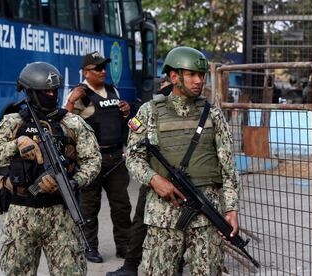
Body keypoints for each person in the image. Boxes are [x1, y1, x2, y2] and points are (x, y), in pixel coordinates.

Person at [125, 46, 240, 275]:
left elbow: (228, 167)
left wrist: (231, 209)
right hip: (162, 215)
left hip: (206, 215)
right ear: (174, 76)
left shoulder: (213, 114)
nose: (199, 81)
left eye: (201, 75)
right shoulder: (150, 112)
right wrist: (155, 179)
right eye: (191, 75)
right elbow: (133, 156)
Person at [0, 61, 102, 276]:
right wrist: (17, 144)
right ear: (30, 92)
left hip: (61, 214)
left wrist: (73, 182)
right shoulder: (12, 122)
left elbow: (93, 161)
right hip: (21, 215)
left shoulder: (72, 123)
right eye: (45, 91)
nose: (51, 95)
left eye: (54, 90)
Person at [65, 51, 132, 263]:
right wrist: (70, 103)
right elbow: (64, 125)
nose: (103, 71)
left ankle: (124, 246)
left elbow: (120, 122)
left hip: (115, 157)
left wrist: (126, 112)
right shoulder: (79, 94)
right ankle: (89, 247)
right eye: (98, 68)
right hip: (91, 159)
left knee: (121, 205)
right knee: (89, 206)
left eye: (104, 67)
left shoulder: (113, 90)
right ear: (86, 72)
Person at [106, 77, 174, 276]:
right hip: (156, 176)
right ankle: (130, 265)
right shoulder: (150, 109)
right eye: (163, 86)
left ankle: (171, 265)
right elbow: (135, 142)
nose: (164, 90)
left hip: (184, 179)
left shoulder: (197, 109)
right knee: (141, 221)